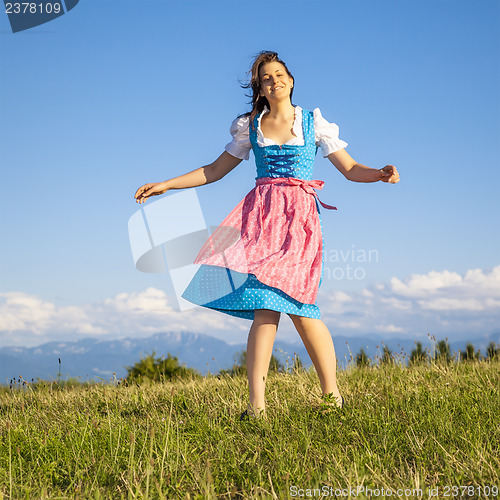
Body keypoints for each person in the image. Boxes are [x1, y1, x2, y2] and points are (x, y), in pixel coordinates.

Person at [134, 51, 399, 419]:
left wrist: (380, 174)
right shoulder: (250, 125)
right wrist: (167, 185)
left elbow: (351, 169)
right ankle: (256, 407)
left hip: (299, 225)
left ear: (290, 80)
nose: (273, 81)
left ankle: (332, 397)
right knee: (265, 309)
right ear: (259, 88)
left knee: (303, 309)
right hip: (259, 221)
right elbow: (214, 170)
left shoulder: (313, 122)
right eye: (265, 78)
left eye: (279, 75)